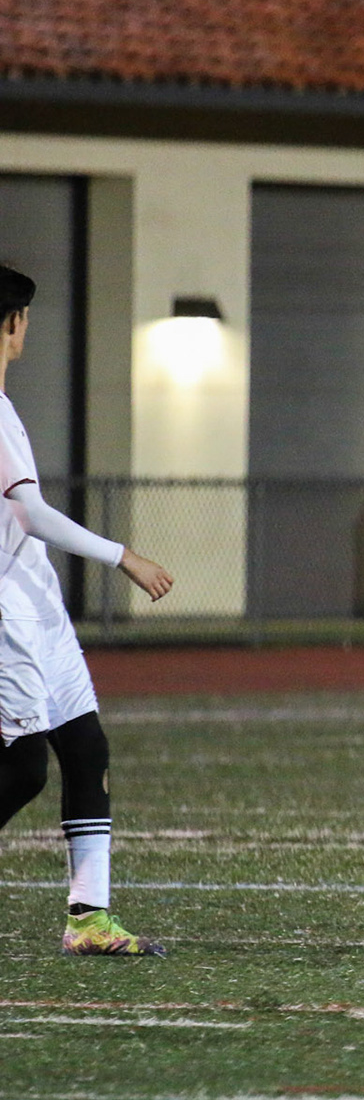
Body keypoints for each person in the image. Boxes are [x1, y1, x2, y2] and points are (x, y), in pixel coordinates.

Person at [0, 264, 174, 955]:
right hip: (7, 612)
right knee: (22, 769)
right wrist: (122, 554)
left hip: (34, 600)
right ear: (12, 322)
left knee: (85, 746)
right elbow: (31, 512)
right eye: (26, 320)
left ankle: (89, 920)